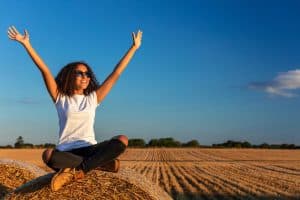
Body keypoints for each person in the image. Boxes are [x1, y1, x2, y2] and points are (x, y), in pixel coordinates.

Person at [7, 26, 142, 191]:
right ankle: (99, 164)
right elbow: (44, 70)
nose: (85, 77)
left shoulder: (93, 98)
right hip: (67, 153)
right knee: (48, 155)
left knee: (122, 140)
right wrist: (26, 44)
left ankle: (79, 172)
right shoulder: (60, 98)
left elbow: (116, 74)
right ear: (70, 75)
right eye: (80, 73)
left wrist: (133, 48)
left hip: (91, 149)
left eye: (87, 74)